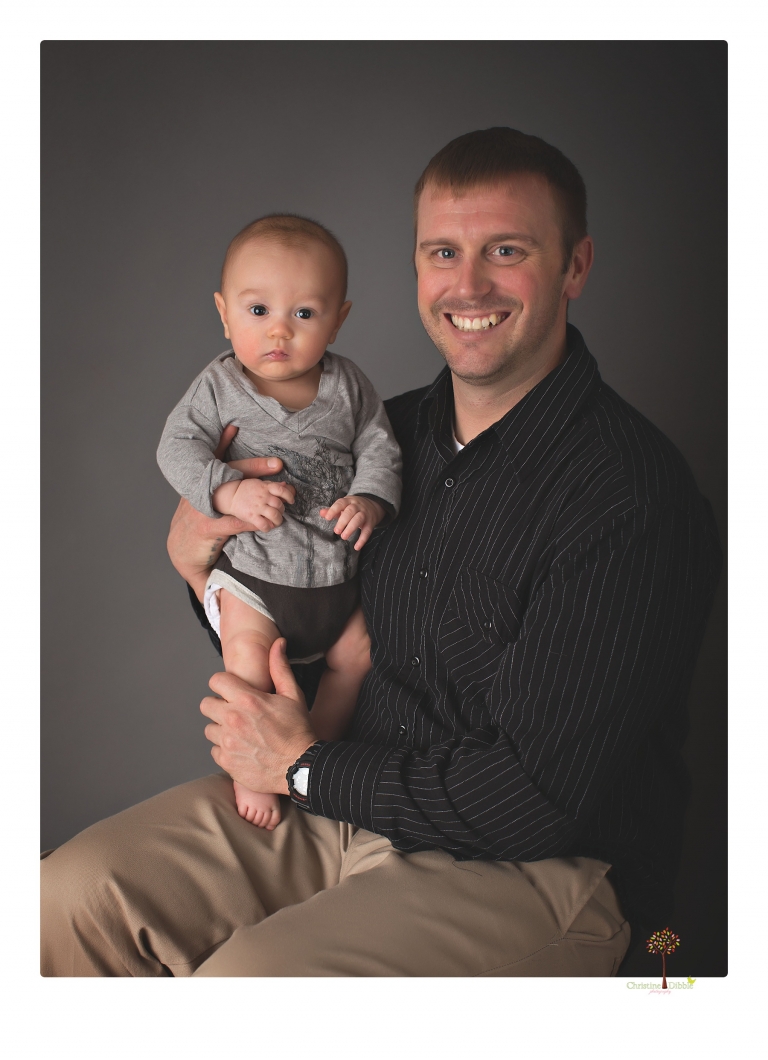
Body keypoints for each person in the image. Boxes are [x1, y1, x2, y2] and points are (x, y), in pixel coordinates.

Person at [41, 127, 721, 977]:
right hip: (337, 798)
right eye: (443, 252)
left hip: (534, 867)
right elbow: (308, 618)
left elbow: (532, 803)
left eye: (505, 250)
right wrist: (199, 571)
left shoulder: (630, 498)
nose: (467, 284)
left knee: (250, 989)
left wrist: (300, 765)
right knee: (65, 898)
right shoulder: (377, 439)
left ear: (574, 267)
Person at [157, 215, 401, 829]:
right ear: (223, 312)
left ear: (339, 318)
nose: (280, 333)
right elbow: (176, 448)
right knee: (245, 658)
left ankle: (307, 757)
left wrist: (371, 500)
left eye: (305, 315)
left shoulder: (350, 388)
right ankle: (253, 772)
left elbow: (379, 447)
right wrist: (229, 492)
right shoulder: (219, 387)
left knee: (356, 655)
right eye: (259, 310)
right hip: (258, 581)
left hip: (335, 578)